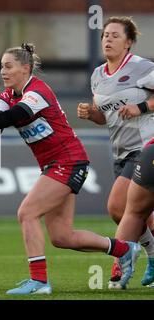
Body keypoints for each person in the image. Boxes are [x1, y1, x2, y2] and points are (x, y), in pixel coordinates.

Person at [0, 43, 140, 295]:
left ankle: (39, 281)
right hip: (54, 165)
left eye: (8, 66)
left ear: (25, 68)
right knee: (62, 237)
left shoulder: (37, 91)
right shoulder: (8, 95)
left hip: (68, 161)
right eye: (1, 66)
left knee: (27, 213)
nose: (3, 72)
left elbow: (13, 117)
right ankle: (125, 250)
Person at [77, 16, 154, 288]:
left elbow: (139, 106)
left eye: (115, 35)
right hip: (120, 153)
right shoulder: (98, 75)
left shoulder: (141, 67)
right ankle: (153, 256)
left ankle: (120, 270)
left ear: (129, 42)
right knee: (130, 212)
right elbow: (105, 117)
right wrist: (92, 114)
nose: (107, 39)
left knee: (117, 205)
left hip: (145, 145)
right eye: (104, 35)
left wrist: (141, 108)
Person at [115, 137, 154, 288]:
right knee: (127, 211)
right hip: (146, 153)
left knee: (133, 213)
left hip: (149, 153)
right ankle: (118, 271)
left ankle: (118, 275)